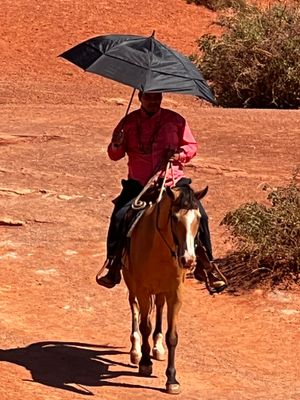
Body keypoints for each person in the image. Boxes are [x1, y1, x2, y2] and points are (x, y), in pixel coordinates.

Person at [96, 91, 227, 293]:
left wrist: (179, 154)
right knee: (120, 215)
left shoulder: (175, 120)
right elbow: (115, 155)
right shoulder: (128, 122)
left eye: (157, 97)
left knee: (201, 216)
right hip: (139, 183)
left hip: (172, 181)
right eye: (149, 97)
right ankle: (112, 265)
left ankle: (207, 266)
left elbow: (191, 147)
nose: (153, 101)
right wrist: (116, 143)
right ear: (140, 97)